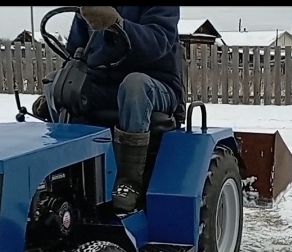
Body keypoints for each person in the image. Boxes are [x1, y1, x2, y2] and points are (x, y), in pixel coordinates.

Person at [42, 6, 185, 213]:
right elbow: (75, 50)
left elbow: (157, 43)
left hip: (155, 84)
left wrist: (119, 25)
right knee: (55, 82)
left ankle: (129, 181)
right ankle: (65, 171)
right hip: (105, 84)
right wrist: (62, 89)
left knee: (134, 85)